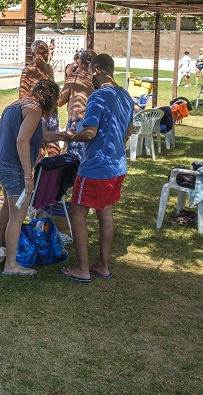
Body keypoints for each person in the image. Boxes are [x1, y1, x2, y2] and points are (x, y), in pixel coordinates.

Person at [60, 54, 134, 283]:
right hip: (117, 166)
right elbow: (129, 131)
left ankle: (82, 269)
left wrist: (72, 136)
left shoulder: (98, 96)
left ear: (96, 70)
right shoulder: (125, 95)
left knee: (77, 213)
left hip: (96, 167)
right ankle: (102, 265)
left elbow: (90, 132)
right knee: (105, 212)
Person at [0, 79, 64, 275]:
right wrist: (28, 174)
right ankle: (11, 265)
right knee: (17, 217)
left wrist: (66, 136)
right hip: (15, 168)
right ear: (50, 98)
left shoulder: (17, 104)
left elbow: (44, 137)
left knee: (7, 206)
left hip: (1, 163)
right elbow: (22, 140)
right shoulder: (35, 109)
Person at [20, 40, 60, 158]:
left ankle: (53, 175)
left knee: (54, 150)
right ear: (33, 55)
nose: (44, 56)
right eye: (40, 53)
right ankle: (37, 175)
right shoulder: (28, 71)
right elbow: (22, 97)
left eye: (46, 53)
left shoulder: (49, 68)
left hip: (51, 115)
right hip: (36, 115)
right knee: (39, 151)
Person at [58, 49, 96, 162]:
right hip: (93, 122)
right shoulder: (97, 80)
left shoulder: (73, 77)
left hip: (77, 122)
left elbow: (60, 102)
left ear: (81, 61)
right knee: (88, 157)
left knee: (73, 159)